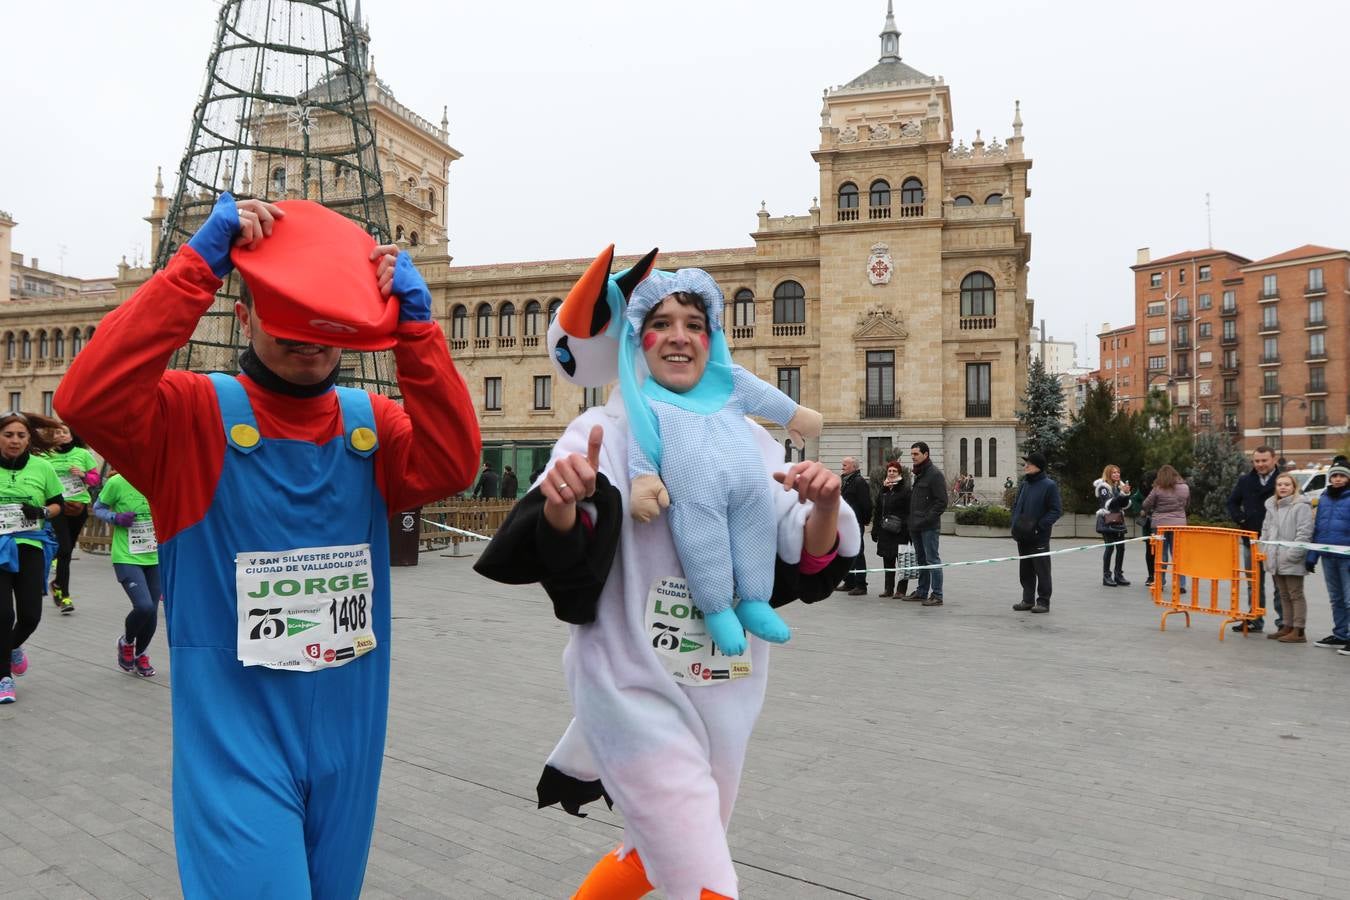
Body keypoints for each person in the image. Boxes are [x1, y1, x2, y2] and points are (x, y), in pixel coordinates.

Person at [56, 193, 481, 898]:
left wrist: (418, 335)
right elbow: (88, 398)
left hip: (350, 727)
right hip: (237, 735)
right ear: (244, 315)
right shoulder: (189, 413)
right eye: (285, 315)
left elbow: (453, 463)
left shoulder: (370, 422)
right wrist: (195, 267)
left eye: (325, 321)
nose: (308, 340)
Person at [475, 249, 855, 900]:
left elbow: (807, 554)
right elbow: (554, 544)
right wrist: (567, 503)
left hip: (724, 687)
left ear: (714, 341)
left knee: (659, 852)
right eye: (662, 322)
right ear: (636, 341)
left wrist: (823, 504)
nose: (679, 335)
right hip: (632, 689)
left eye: (695, 323)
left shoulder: (754, 440)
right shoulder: (602, 433)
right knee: (704, 877)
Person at [0, 411, 63, 705]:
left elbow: (57, 505)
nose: (14, 441)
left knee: (30, 616)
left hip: (30, 545)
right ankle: (4, 678)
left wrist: (41, 513)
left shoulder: (42, 468)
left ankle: (12, 648)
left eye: (20, 436)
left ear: (28, 439)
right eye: (8, 435)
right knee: (3, 615)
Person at [93, 470, 161, 675]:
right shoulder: (117, 481)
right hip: (127, 556)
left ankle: (141, 654)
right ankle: (127, 642)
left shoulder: (160, 479)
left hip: (156, 556)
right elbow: (98, 508)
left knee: (152, 612)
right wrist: (115, 517)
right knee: (143, 606)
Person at [43, 422, 100, 614]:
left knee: (67, 550)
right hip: (57, 507)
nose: (61, 434)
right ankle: (65, 596)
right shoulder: (45, 456)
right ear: (52, 436)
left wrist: (83, 474)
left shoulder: (83, 454)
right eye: (57, 432)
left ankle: (57, 584)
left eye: (65, 432)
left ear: (71, 435)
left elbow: (95, 480)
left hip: (78, 507)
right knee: (65, 550)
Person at [1227, 445, 1281, 633]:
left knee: (1279, 583)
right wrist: (1241, 519)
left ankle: (1283, 623)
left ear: (1274, 460)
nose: (1260, 464)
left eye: (1264, 460)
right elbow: (1232, 502)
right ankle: (1254, 619)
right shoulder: (1245, 481)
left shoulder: (1283, 481)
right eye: (1257, 461)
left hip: (1275, 540)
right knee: (1254, 582)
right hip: (1251, 538)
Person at [1259, 472, 1313, 643]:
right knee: (1283, 594)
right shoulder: (1272, 506)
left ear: (1294, 487)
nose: (1283, 487)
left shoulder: (1301, 506)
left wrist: (1293, 555)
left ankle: (1299, 630)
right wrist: (1264, 549)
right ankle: (1287, 626)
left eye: (1287, 484)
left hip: (1291, 558)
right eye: (1280, 484)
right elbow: (1266, 530)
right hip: (1274, 557)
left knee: (1295, 594)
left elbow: (1304, 533)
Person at [1010, 451, 1062, 613]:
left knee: (1042, 569)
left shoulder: (1049, 485)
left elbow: (1056, 510)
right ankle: (1027, 599)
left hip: (1039, 537)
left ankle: (1043, 601)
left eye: (1029, 464)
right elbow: (1017, 505)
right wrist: (1015, 523)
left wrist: (1040, 526)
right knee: (1025, 569)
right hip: (1023, 534)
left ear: (1038, 467)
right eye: (1025, 463)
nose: (1025, 466)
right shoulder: (1025, 484)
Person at [1307, 457, 1350, 652]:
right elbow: (1318, 530)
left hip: (1346, 558)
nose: (1338, 479)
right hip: (1328, 557)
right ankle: (1341, 634)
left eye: (1342, 476)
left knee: (1349, 599)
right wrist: (1311, 557)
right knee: (1336, 598)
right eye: (1335, 476)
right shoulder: (1323, 498)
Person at [906, 441, 947, 605]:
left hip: (928, 526)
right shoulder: (919, 473)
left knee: (932, 560)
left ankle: (937, 595)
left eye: (916, 454)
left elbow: (941, 502)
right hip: (915, 525)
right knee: (921, 560)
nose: (913, 457)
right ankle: (922, 591)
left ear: (926, 454)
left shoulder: (934, 474)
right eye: (912, 454)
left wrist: (927, 518)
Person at [1141, 464, 1190, 593]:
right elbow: (1187, 504)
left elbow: (1146, 504)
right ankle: (1181, 584)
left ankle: (1160, 582)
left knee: (1161, 555)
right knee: (1178, 555)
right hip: (1178, 525)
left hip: (1160, 525)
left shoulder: (1158, 488)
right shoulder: (1185, 487)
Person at [871, 460, 911, 598]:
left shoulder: (905, 491)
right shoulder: (883, 491)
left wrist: (906, 529)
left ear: (899, 473)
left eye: (894, 471)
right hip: (885, 531)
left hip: (900, 531)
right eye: (889, 471)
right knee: (887, 560)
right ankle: (888, 589)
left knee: (902, 561)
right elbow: (878, 511)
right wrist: (875, 529)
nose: (892, 473)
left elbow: (909, 511)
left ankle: (901, 590)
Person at [1094, 464, 1132, 587]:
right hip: (1107, 520)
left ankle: (1118, 575)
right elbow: (1109, 505)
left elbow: (1124, 505)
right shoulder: (1103, 487)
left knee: (1121, 548)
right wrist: (1122, 494)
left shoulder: (1119, 486)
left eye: (1118, 472)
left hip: (1119, 520)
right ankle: (1106, 576)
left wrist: (1126, 494)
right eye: (1113, 472)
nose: (1116, 474)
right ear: (1108, 474)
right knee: (1110, 548)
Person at [839, 456, 872, 595]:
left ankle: (861, 584)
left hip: (855, 522)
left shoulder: (859, 482)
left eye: (845, 465)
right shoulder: (846, 481)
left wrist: (864, 520)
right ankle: (849, 581)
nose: (843, 467)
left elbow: (866, 504)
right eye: (843, 464)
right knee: (846, 552)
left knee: (858, 553)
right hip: (844, 523)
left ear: (854, 467)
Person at [1131, 470, 1157, 585]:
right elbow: (1134, 499)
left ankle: (1160, 576)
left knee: (1160, 552)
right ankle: (1151, 575)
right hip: (1147, 524)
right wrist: (1140, 510)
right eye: (1144, 482)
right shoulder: (1140, 490)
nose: (1146, 484)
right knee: (1149, 551)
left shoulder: (1159, 489)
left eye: (1149, 482)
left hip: (1158, 523)